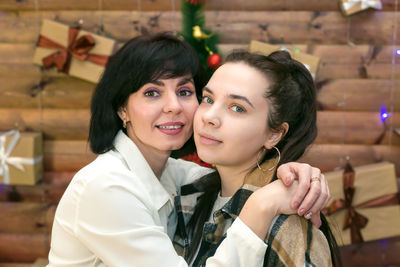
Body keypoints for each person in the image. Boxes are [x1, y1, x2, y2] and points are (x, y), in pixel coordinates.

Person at [47, 33, 330, 267]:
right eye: (151, 92)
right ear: (123, 108)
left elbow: (236, 180)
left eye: (184, 92)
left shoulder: (182, 178)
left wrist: (302, 176)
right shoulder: (105, 186)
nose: (174, 106)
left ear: (275, 133)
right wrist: (260, 205)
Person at [174, 50, 341, 266]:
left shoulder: (286, 226)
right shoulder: (191, 196)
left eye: (237, 108)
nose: (209, 116)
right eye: (208, 99)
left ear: (274, 134)